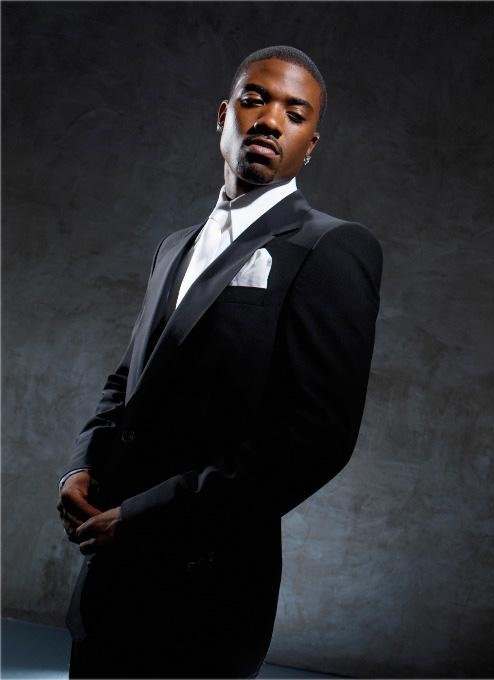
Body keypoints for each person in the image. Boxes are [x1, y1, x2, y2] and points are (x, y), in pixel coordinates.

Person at [57, 45, 383, 679]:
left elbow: (315, 441)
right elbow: (128, 381)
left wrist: (147, 521)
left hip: (207, 597)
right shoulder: (173, 247)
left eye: (295, 113)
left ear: (311, 144)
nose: (270, 121)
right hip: (106, 585)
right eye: (254, 99)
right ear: (222, 115)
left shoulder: (333, 248)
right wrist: (81, 465)